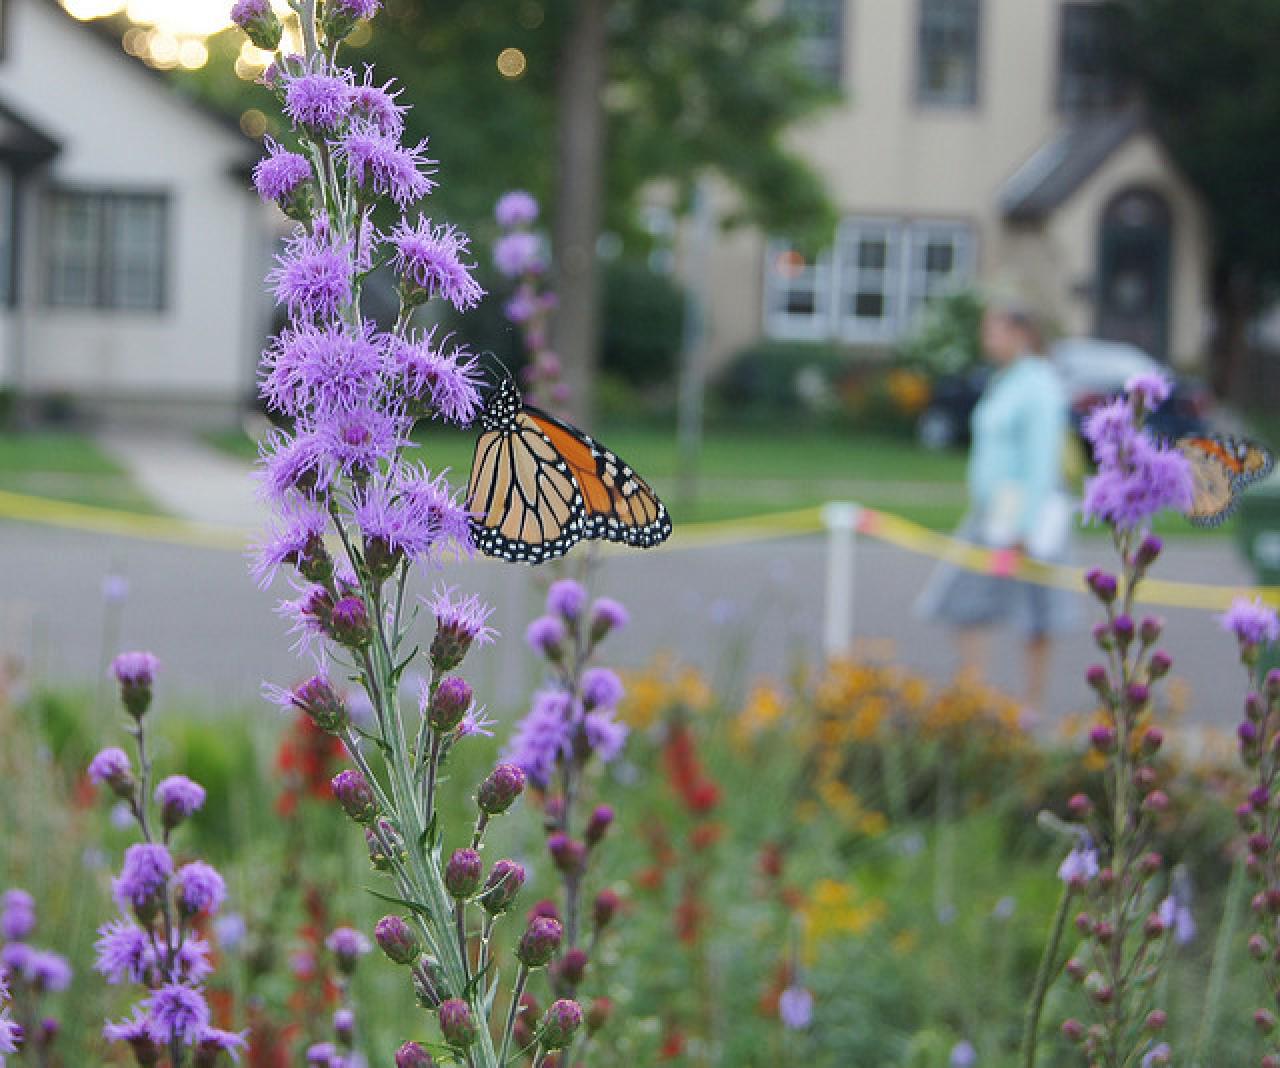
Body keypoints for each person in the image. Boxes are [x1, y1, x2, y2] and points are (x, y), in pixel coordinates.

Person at [914, 294, 1076, 715]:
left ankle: (1031, 703)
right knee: (966, 598)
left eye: (994, 329)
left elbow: (1042, 458)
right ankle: (975, 696)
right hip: (993, 512)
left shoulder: (1038, 383)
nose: (987, 339)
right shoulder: (1004, 380)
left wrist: (1024, 525)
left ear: (1020, 334)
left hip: (1025, 517)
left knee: (1036, 607)